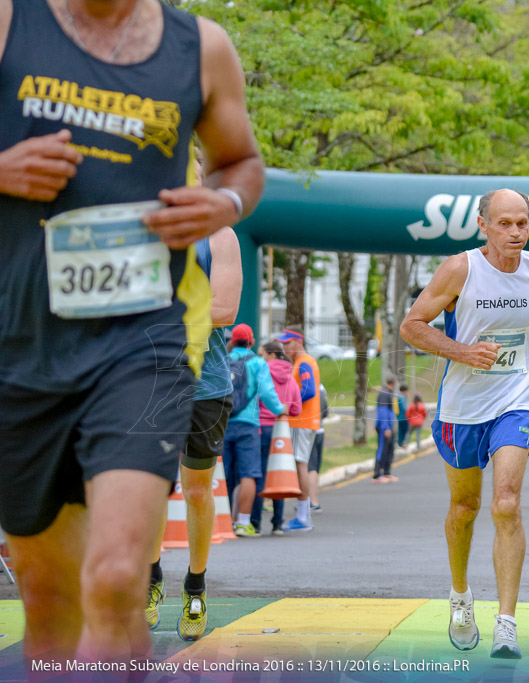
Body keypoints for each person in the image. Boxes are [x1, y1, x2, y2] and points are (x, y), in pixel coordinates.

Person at [0, 0, 264, 665]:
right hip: (22, 342)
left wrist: (224, 203)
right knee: (47, 592)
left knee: (117, 576)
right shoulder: (10, 22)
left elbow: (241, 163)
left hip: (141, 346)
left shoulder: (201, 47)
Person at [400, 188, 529, 659]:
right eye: (505, 223)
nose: (516, 232)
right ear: (484, 225)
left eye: (522, 223)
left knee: (506, 504)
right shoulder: (461, 268)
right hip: (463, 407)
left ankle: (507, 623)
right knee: (464, 507)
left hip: (515, 399)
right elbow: (413, 325)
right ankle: (460, 596)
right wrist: (463, 352)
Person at [146, 147, 243, 640]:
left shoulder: (219, 237)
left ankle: (197, 586)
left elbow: (224, 308)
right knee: (148, 486)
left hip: (204, 384)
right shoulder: (139, 231)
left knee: (198, 489)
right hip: (146, 383)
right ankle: (150, 576)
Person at [224, 324, 285, 537]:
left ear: (232, 341)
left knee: (224, 475)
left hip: (223, 424)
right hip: (248, 424)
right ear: (251, 342)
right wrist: (280, 409)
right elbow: (267, 393)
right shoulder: (258, 363)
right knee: (248, 474)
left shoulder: (223, 361)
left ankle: (223, 522)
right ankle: (243, 523)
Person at [253, 341, 301, 536]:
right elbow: (296, 409)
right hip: (282, 433)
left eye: (263, 354)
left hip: (262, 428)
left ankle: (255, 522)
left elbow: (255, 398)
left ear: (271, 355)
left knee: (260, 474)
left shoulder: (262, 374)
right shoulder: (290, 378)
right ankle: (277, 523)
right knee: (280, 477)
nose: (261, 358)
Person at [277, 329, 321, 532]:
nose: (284, 347)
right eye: (283, 344)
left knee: (300, 464)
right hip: (305, 422)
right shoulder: (304, 361)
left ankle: (303, 517)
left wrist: (289, 404)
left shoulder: (303, 362)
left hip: (301, 421)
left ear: (298, 342)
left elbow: (309, 390)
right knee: (300, 464)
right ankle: (303, 515)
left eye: (287, 343)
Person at [374, 377, 398, 483]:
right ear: (394, 382)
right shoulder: (384, 393)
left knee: (390, 450)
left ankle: (387, 473)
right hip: (384, 427)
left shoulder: (389, 392)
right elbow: (383, 412)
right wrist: (386, 428)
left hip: (389, 425)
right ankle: (377, 474)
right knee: (382, 450)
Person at [309, 383, 329, 511]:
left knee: (310, 468)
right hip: (320, 429)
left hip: (310, 430)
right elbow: (326, 411)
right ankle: (314, 500)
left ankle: (311, 501)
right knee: (316, 468)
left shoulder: (309, 387)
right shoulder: (322, 388)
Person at [396, 383, 410, 447]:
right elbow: (405, 408)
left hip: (399, 416)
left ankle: (399, 442)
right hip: (404, 416)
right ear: (404, 391)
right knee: (405, 430)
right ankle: (401, 442)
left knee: (400, 429)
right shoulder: (402, 397)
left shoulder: (398, 396)